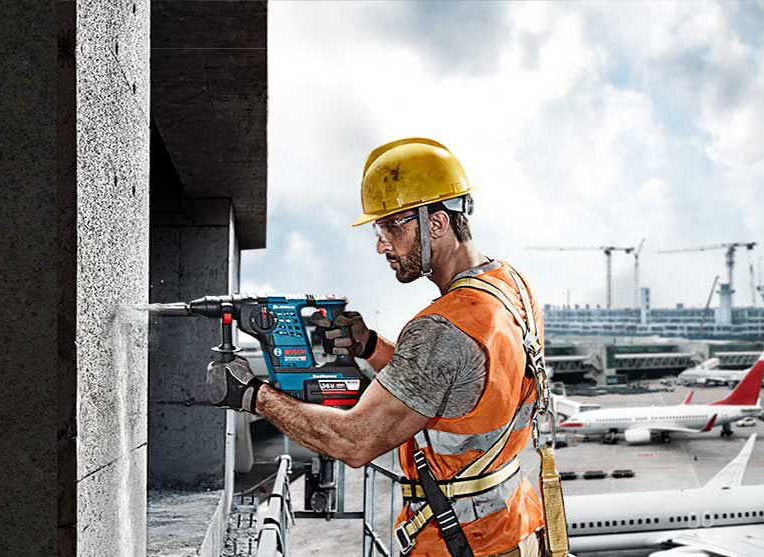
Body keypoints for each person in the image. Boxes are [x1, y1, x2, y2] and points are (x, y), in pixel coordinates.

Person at [207, 138, 548, 556]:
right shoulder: (509, 286)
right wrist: (369, 345)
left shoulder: (443, 328)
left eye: (392, 227)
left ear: (437, 224)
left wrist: (252, 395)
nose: (381, 244)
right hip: (511, 526)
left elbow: (355, 442)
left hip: (462, 542)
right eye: (379, 228)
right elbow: (459, 384)